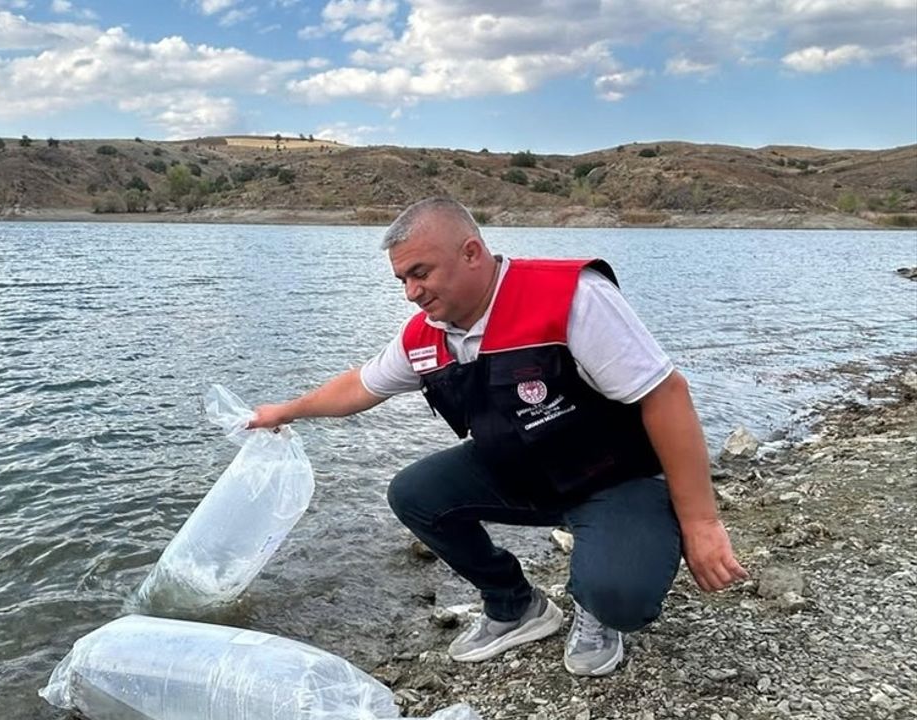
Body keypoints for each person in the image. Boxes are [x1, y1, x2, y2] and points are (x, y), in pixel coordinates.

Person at [247, 197, 747, 677]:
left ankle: (596, 606)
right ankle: (516, 605)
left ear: (471, 253)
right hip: (526, 471)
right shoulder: (426, 334)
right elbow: (360, 385)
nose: (411, 293)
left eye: (421, 273)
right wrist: (284, 412)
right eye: (402, 280)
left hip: (617, 479)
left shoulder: (571, 297)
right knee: (413, 493)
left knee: (620, 597)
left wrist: (701, 522)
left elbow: (666, 395)